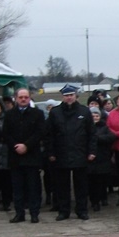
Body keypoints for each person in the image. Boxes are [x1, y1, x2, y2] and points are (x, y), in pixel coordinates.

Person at [46, 83, 96, 220]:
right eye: (66, 96)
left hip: (80, 153)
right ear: (62, 97)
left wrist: (92, 151)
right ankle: (63, 211)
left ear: (76, 96)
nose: (69, 98)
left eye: (71, 95)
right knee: (62, 186)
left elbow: (91, 133)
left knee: (81, 186)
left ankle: (82, 210)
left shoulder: (84, 112)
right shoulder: (55, 112)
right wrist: (50, 153)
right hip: (61, 154)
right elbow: (49, 135)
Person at [1, 88, 46, 223]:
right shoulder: (9, 115)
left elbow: (40, 133)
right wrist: (16, 146)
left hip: (32, 156)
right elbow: (5, 134)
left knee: (33, 187)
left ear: (29, 98)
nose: (23, 99)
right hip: (15, 157)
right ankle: (19, 213)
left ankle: (34, 213)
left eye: (26, 97)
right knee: (17, 188)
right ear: (16, 98)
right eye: (20, 97)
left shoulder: (38, 114)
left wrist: (26, 145)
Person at [88, 105, 115, 211]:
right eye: (92, 115)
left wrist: (97, 139)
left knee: (102, 181)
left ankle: (103, 198)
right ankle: (94, 201)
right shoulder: (86, 128)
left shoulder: (104, 127)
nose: (94, 116)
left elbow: (111, 137)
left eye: (96, 114)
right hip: (90, 159)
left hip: (102, 158)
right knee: (91, 181)